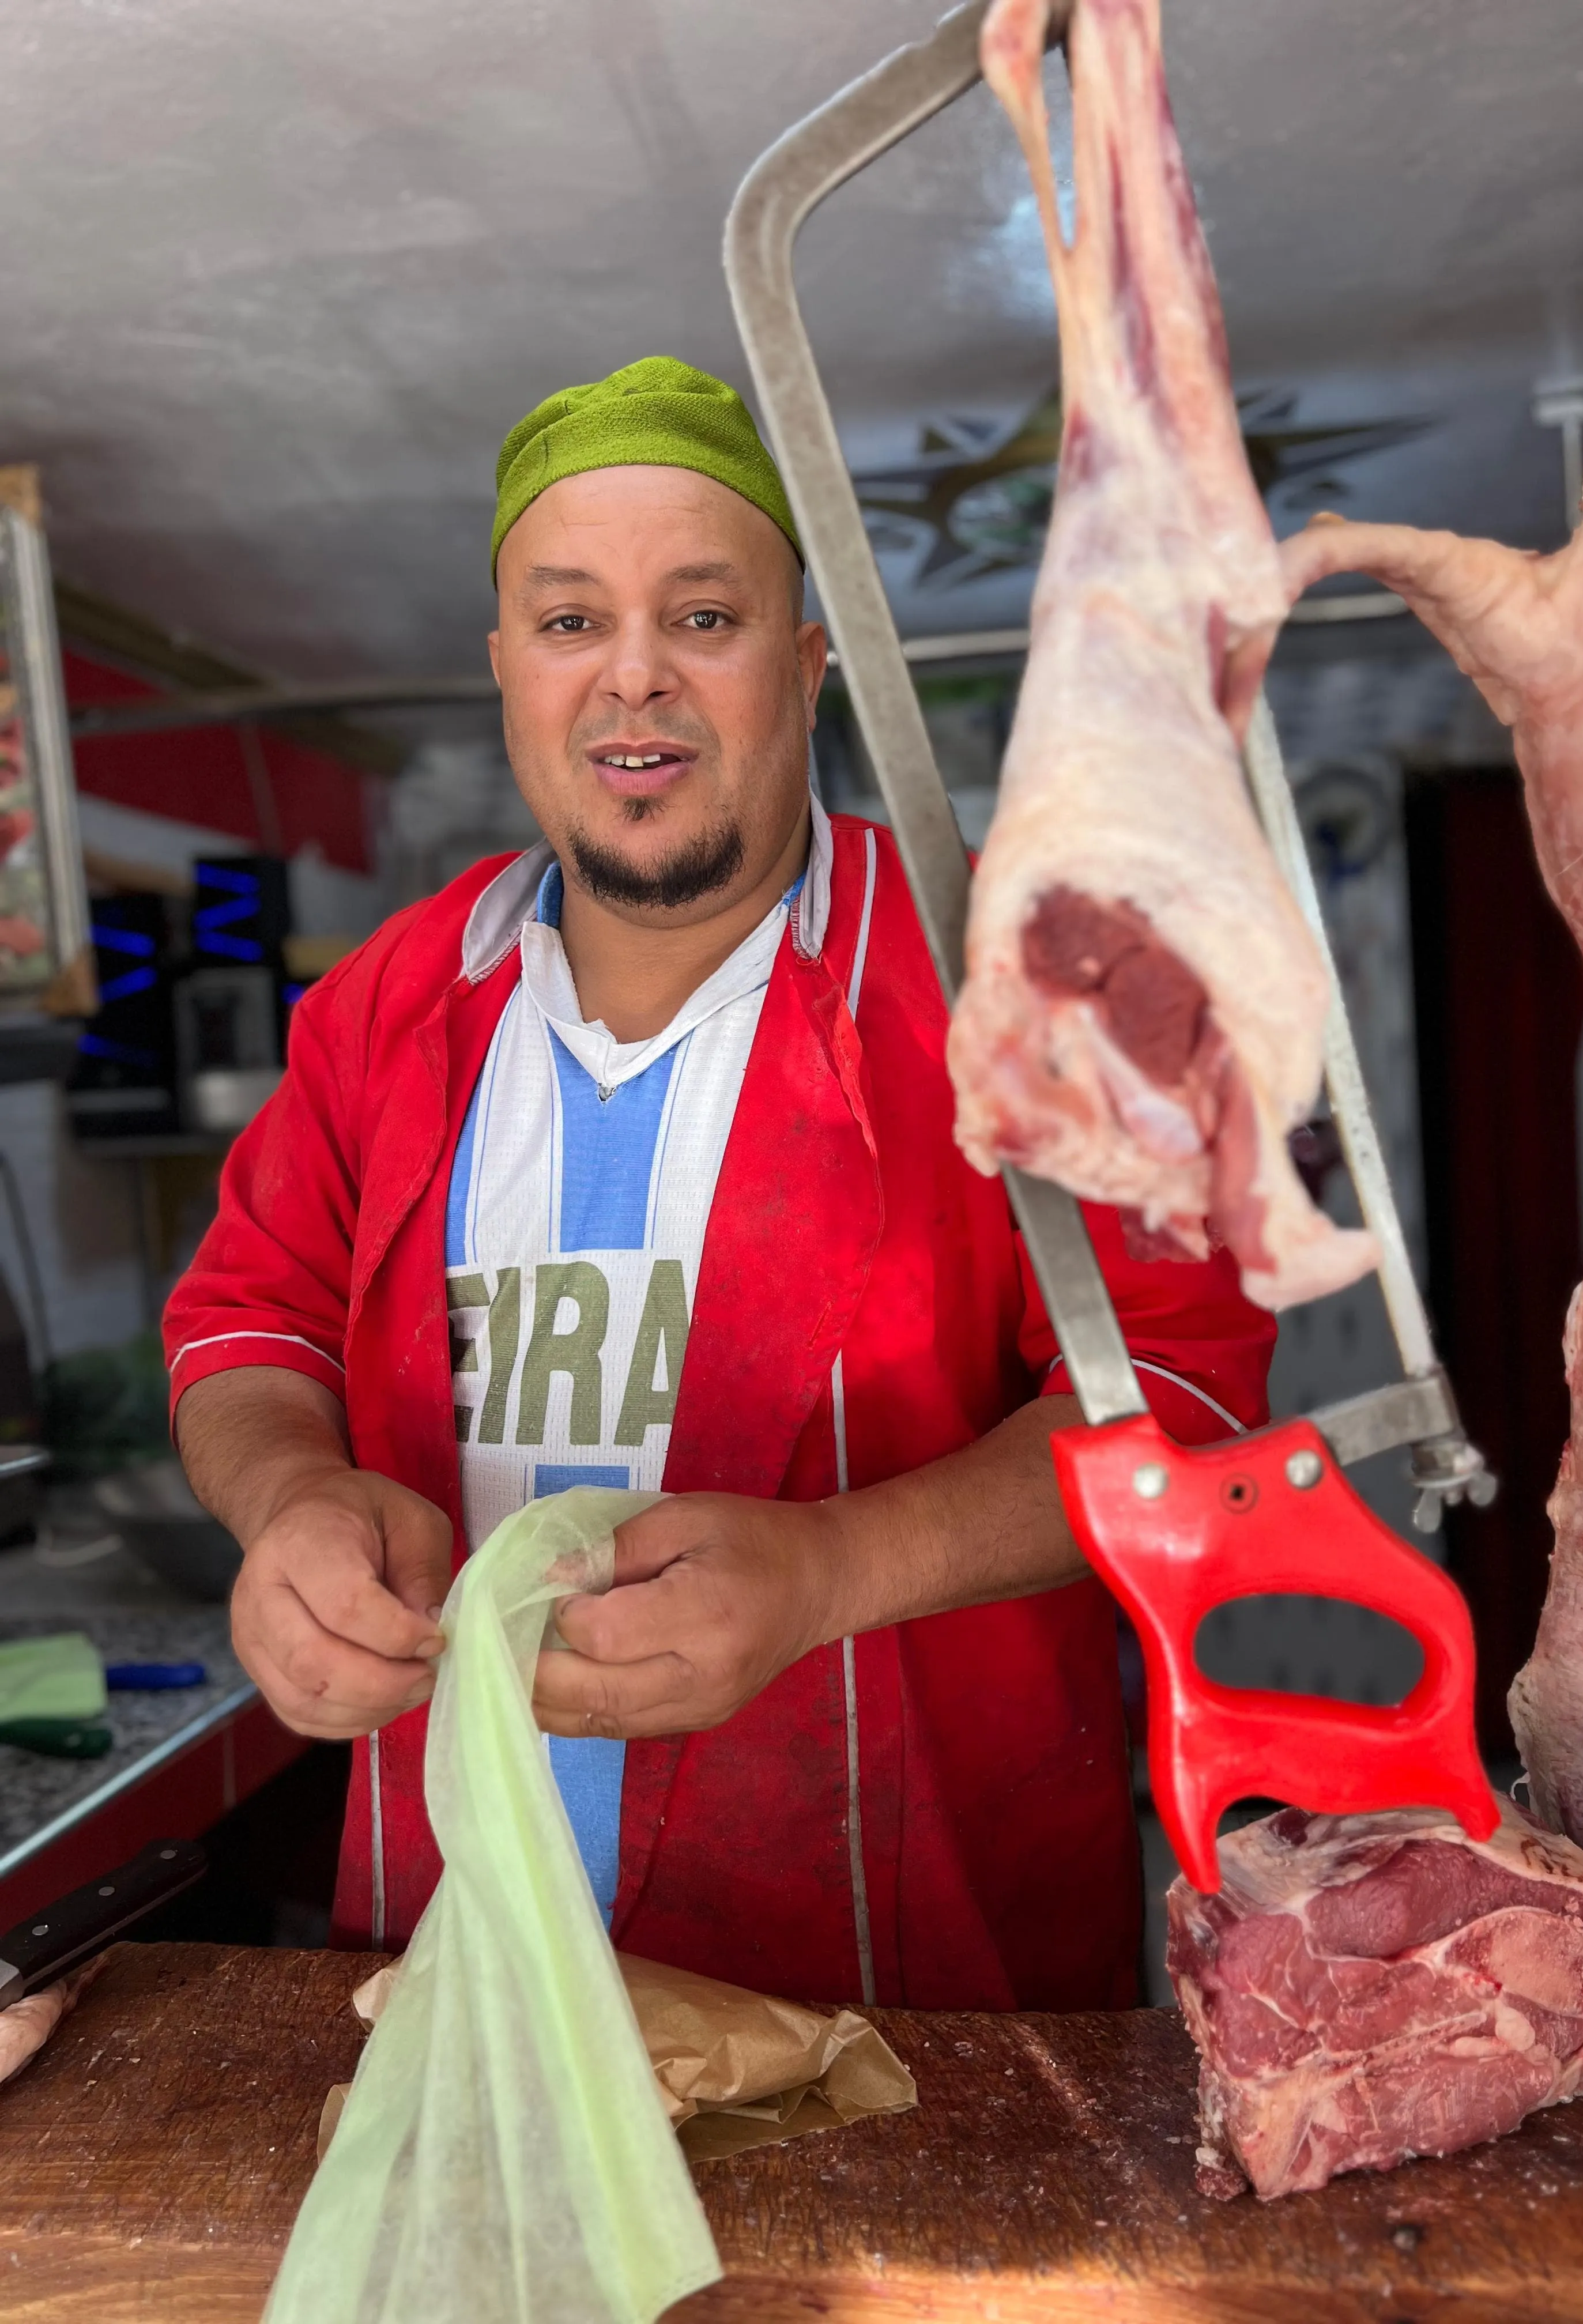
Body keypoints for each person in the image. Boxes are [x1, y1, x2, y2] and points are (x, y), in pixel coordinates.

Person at [166, 357, 1273, 2008]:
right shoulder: (383, 1009)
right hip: (453, 1976)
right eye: (568, 623)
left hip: (929, 1997)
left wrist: (836, 1573)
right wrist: (290, 1504)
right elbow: (248, 1319)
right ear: (504, 673)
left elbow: (1183, 1391)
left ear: (807, 667)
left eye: (703, 617)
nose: (633, 682)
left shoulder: (1030, 984)